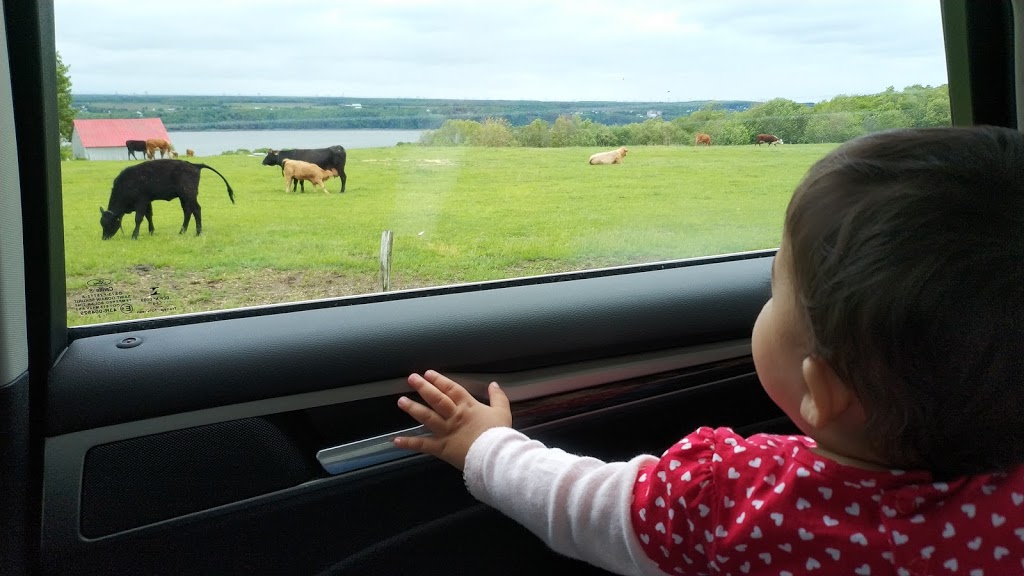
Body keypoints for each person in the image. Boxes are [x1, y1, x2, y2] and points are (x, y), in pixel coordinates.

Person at [393, 126, 1024, 575]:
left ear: (822, 391)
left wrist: (481, 443)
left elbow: (575, 501)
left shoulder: (729, 498)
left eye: (774, 287)